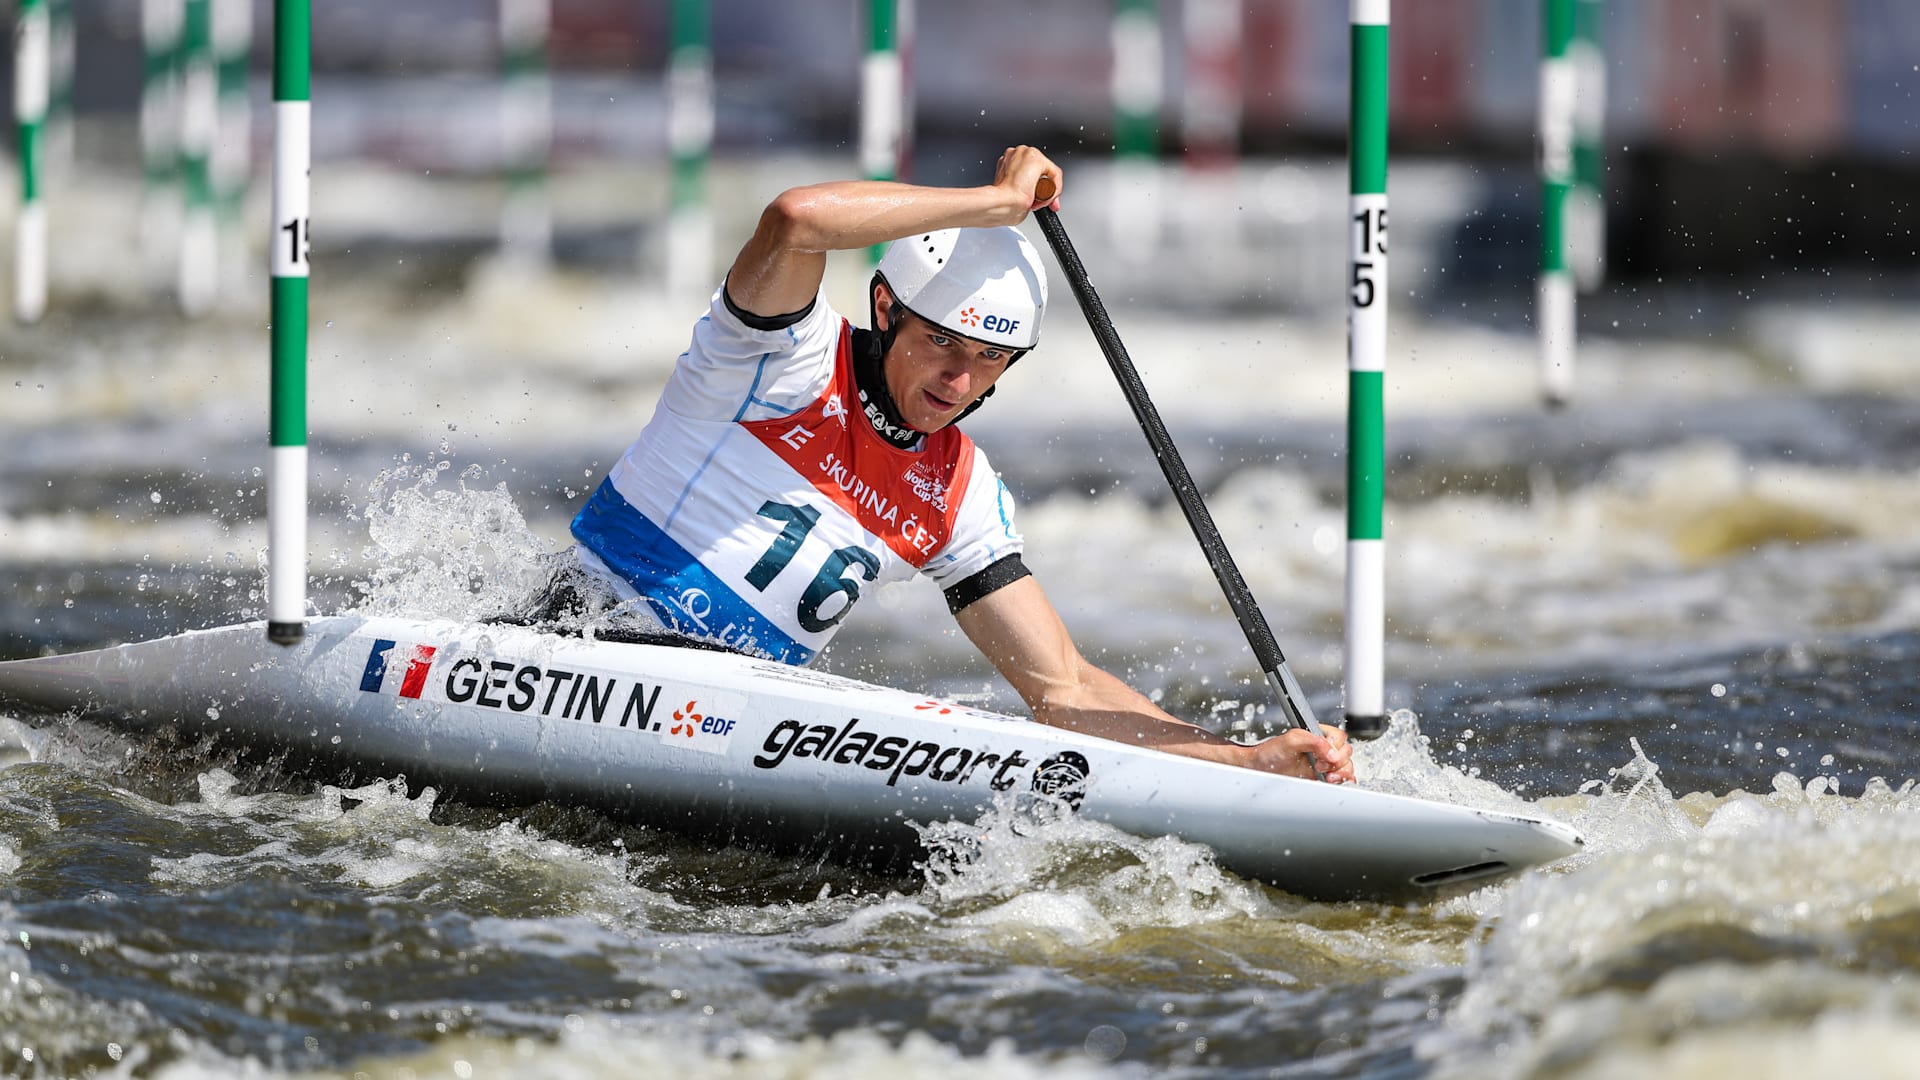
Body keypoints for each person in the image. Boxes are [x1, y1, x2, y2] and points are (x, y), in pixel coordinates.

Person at [559, 145, 1353, 784]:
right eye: (940, 341)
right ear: (885, 308)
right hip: (581, 648)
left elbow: (1062, 688)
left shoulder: (961, 491)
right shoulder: (776, 355)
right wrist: (998, 206)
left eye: (989, 359)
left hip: (728, 718)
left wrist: (1241, 760)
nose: (958, 380)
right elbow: (795, 219)